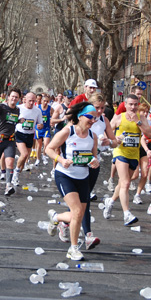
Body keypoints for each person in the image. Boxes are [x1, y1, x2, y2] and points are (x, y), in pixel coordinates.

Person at [45, 102, 100, 261]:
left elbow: (93, 157)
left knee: (79, 214)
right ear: (80, 116)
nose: (92, 121)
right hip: (64, 175)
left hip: (83, 177)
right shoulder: (67, 132)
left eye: (95, 119)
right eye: (90, 117)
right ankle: (73, 248)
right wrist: (61, 160)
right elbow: (48, 149)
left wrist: (94, 162)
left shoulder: (92, 136)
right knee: (77, 212)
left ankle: (56, 218)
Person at [103, 94, 151, 226]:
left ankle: (111, 201)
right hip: (121, 153)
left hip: (134, 155)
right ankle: (127, 214)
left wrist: (138, 122)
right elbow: (105, 131)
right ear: (125, 104)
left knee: (123, 183)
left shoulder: (141, 118)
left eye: (135, 104)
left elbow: (149, 134)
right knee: (125, 183)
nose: (133, 107)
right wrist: (113, 140)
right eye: (130, 104)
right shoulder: (119, 118)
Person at [78, 93, 117, 249]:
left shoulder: (104, 120)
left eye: (102, 108)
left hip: (94, 161)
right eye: (97, 108)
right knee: (80, 199)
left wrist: (109, 141)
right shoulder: (80, 118)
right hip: (78, 161)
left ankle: (81, 231)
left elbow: (114, 142)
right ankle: (82, 231)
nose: (100, 111)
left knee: (84, 197)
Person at [13, 92, 43, 186]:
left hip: (30, 135)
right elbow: (12, 119)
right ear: (25, 99)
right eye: (30, 101)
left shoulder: (37, 110)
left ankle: (17, 173)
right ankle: (15, 173)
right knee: (24, 153)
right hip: (20, 134)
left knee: (26, 157)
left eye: (33, 101)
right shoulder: (19, 108)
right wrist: (18, 121)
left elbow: (41, 124)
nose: (31, 103)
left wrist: (40, 125)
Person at [35, 94, 53, 166]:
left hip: (46, 128)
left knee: (46, 144)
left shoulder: (50, 108)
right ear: (41, 101)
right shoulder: (37, 108)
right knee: (39, 145)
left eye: (47, 101)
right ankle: (38, 159)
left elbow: (53, 116)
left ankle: (44, 155)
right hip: (38, 129)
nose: (45, 102)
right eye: (44, 101)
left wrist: (52, 122)